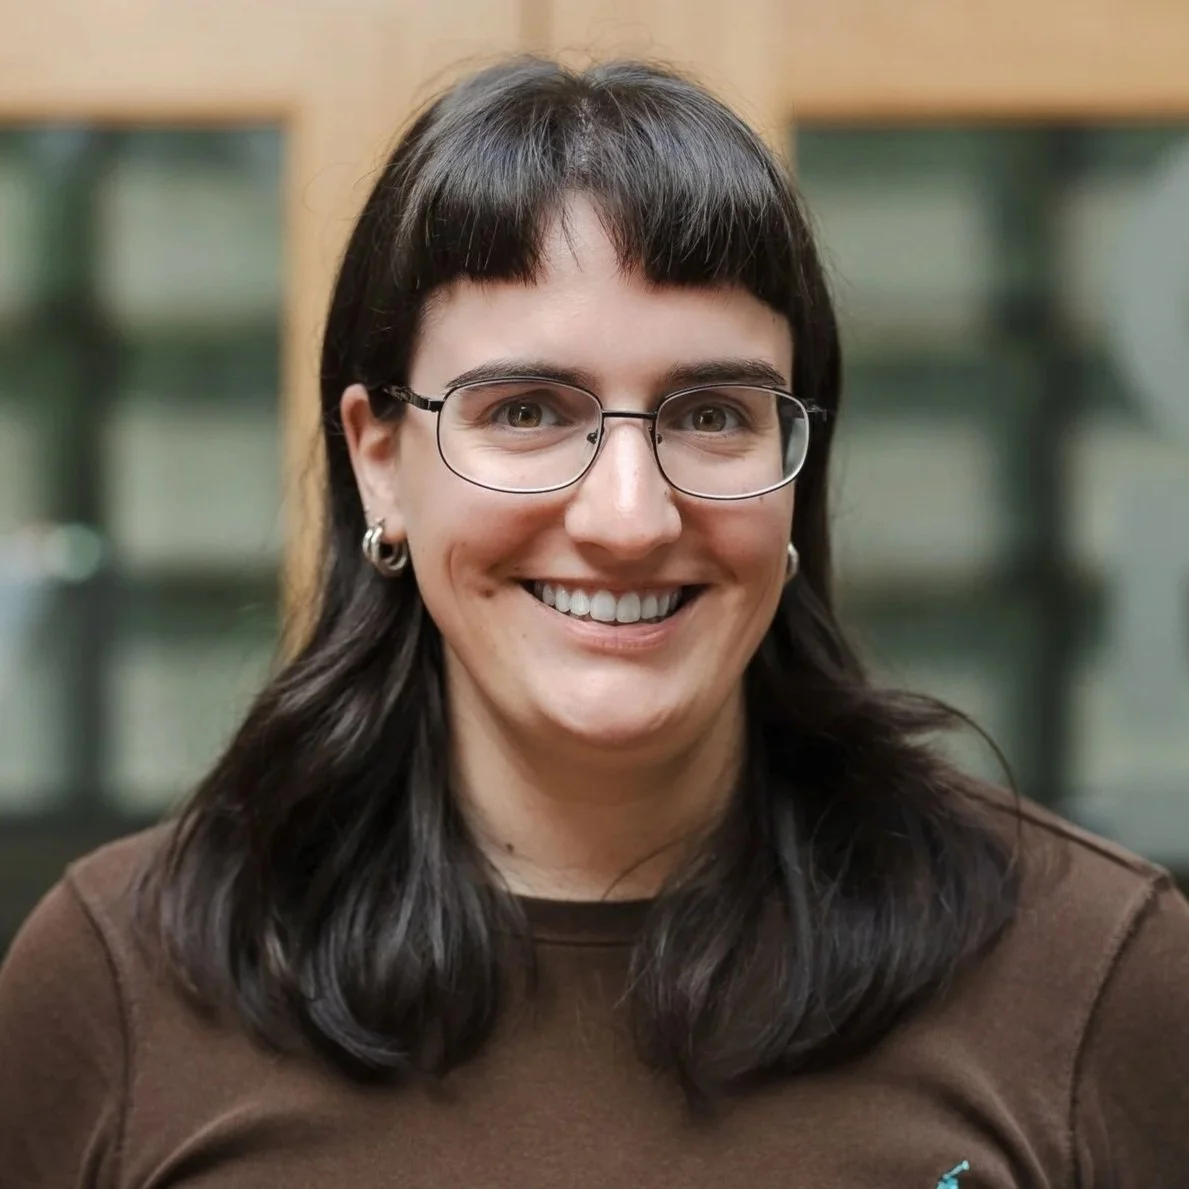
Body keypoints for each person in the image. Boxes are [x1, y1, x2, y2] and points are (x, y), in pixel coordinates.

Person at [1, 57, 1187, 1189]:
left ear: (794, 470)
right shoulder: (118, 988)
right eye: (525, 409)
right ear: (379, 463)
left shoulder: (1093, 978)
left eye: (713, 413)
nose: (628, 516)